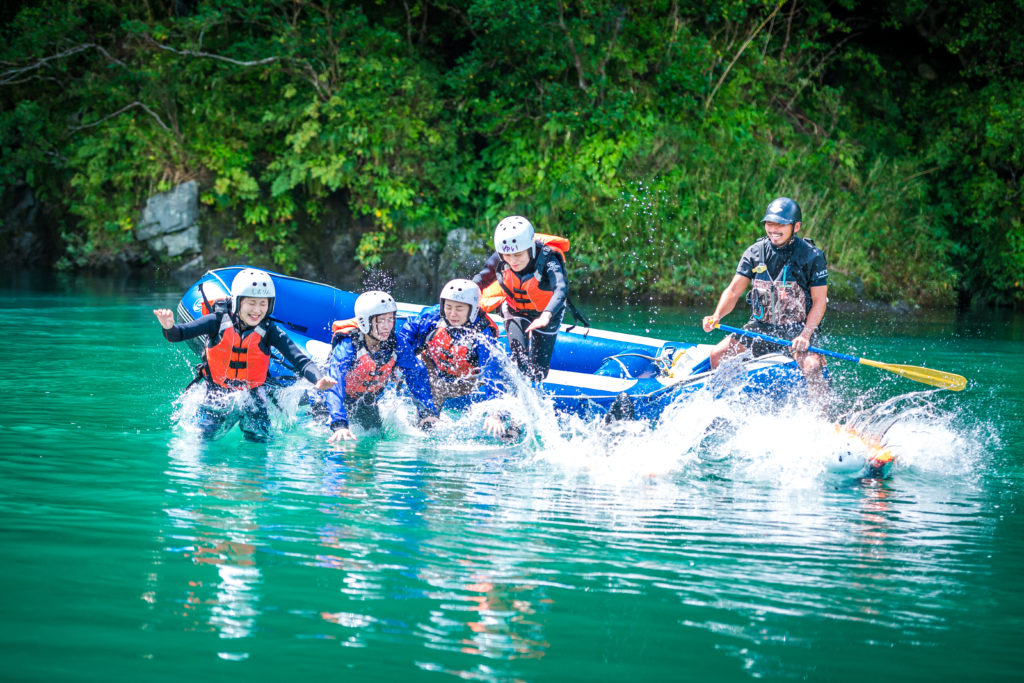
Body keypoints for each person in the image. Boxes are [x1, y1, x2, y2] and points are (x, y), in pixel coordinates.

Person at [154, 268, 336, 441]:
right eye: (251, 302)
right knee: (202, 437)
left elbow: (300, 360)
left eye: (263, 304)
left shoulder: (270, 331)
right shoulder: (216, 322)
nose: (257, 310)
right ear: (237, 302)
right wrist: (168, 326)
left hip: (253, 396)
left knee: (259, 441)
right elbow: (179, 334)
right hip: (217, 393)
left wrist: (318, 380)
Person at [701, 197, 829, 401]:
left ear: (796, 226)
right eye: (770, 223)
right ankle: (727, 402)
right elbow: (734, 290)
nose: (774, 229)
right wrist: (716, 316)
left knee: (813, 366)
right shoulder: (754, 252)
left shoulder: (812, 256)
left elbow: (820, 301)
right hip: (761, 328)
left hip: (796, 331)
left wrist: (805, 334)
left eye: (781, 224)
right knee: (718, 355)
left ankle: (823, 420)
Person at [397, 279, 514, 438]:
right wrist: (395, 363)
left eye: (459, 308)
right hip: (434, 373)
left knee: (508, 380)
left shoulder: (482, 334)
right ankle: (428, 416)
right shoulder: (432, 317)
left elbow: (491, 375)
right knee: (426, 427)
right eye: (449, 307)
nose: (452, 314)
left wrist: (495, 414)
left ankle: (513, 425)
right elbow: (406, 336)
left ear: (472, 309)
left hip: (465, 381)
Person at [472, 215, 571, 381]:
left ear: (530, 248)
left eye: (518, 255)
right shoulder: (502, 257)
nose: (512, 261)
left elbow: (561, 289)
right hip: (514, 308)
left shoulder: (548, 260)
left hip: (546, 313)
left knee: (538, 373)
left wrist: (546, 315)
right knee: (520, 362)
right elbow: (479, 281)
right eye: (507, 256)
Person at [323, 290, 409, 444]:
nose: (387, 326)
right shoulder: (348, 347)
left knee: (377, 438)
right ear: (365, 322)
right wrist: (339, 424)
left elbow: (418, 373)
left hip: (363, 402)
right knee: (335, 441)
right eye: (381, 320)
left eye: (391, 319)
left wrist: (427, 411)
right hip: (329, 402)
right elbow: (334, 385)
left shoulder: (395, 344)